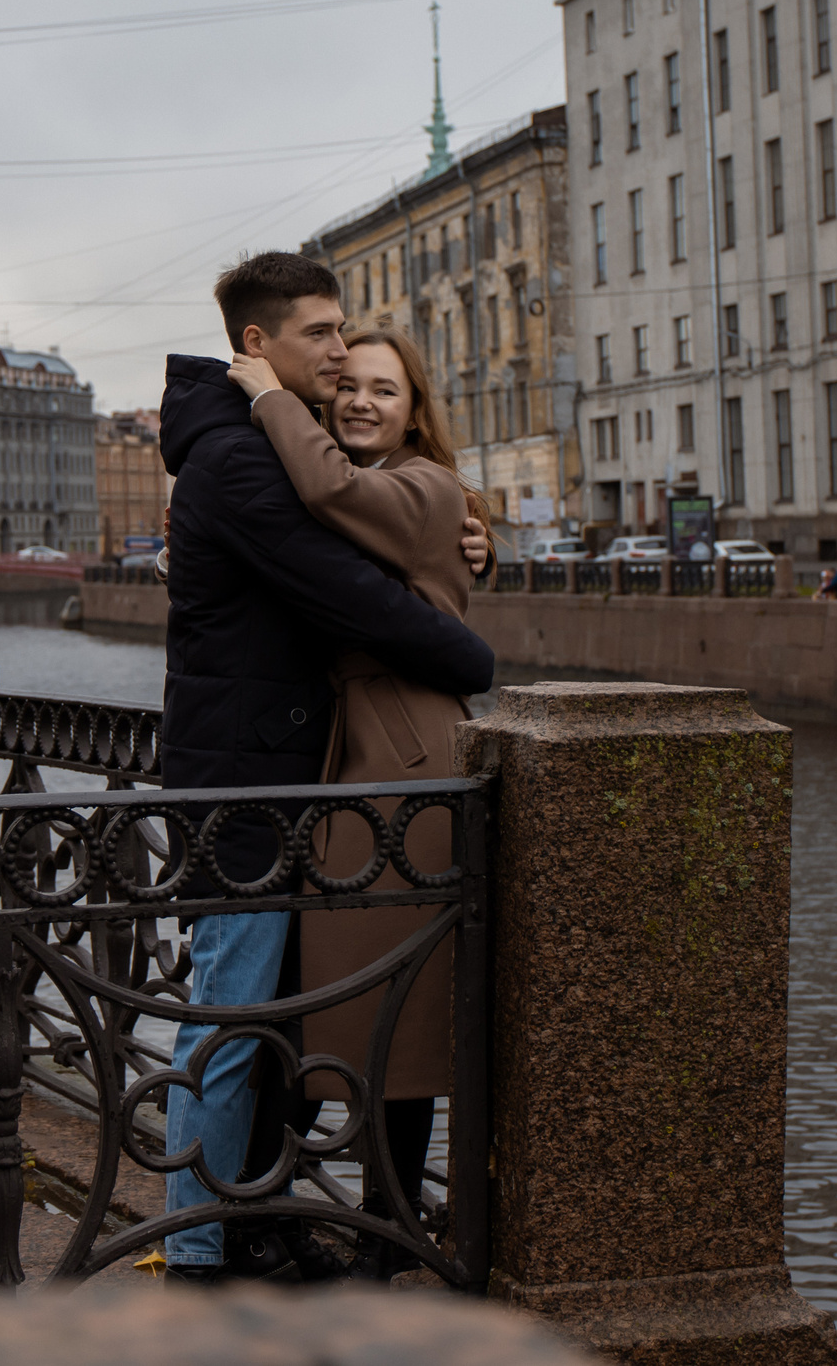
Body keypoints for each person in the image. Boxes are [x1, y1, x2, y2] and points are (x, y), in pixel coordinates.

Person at [155, 252, 496, 1286]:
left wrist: (463, 547)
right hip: (251, 785)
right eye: (323, 338)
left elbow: (366, 524)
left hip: (302, 774)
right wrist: (464, 649)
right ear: (258, 346)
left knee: (277, 1021)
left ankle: (255, 1222)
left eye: (360, 355)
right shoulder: (238, 457)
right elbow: (343, 587)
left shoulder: (242, 444)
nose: (341, 355)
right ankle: (201, 1251)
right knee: (231, 1014)